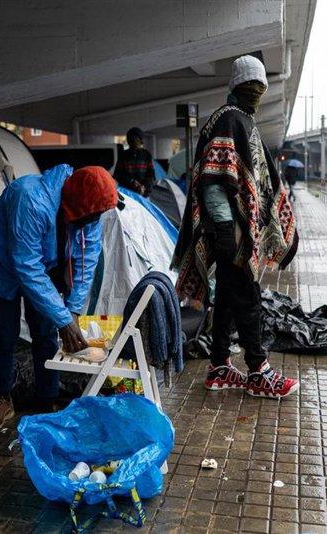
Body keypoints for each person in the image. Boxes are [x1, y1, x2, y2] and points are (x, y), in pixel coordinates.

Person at [172, 55, 299, 399]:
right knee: (248, 296)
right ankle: (258, 371)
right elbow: (215, 181)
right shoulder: (230, 120)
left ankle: (219, 366)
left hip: (231, 229)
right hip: (231, 231)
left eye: (260, 88)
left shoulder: (236, 118)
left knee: (228, 296)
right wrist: (227, 230)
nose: (256, 94)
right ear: (239, 88)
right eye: (251, 88)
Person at [0, 165, 119, 432]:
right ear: (76, 205)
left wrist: (74, 310)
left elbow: (87, 260)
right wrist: (64, 319)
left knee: (44, 333)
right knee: (4, 334)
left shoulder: (90, 212)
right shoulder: (29, 199)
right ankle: (2, 397)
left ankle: (47, 398)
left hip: (45, 263)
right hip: (2, 267)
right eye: (93, 216)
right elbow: (27, 266)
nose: (95, 221)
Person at [113, 127, 156, 196]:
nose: (132, 141)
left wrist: (144, 187)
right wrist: (132, 182)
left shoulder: (146, 155)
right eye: (130, 139)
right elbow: (118, 175)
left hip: (144, 193)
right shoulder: (124, 155)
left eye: (135, 139)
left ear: (140, 140)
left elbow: (151, 175)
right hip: (127, 193)